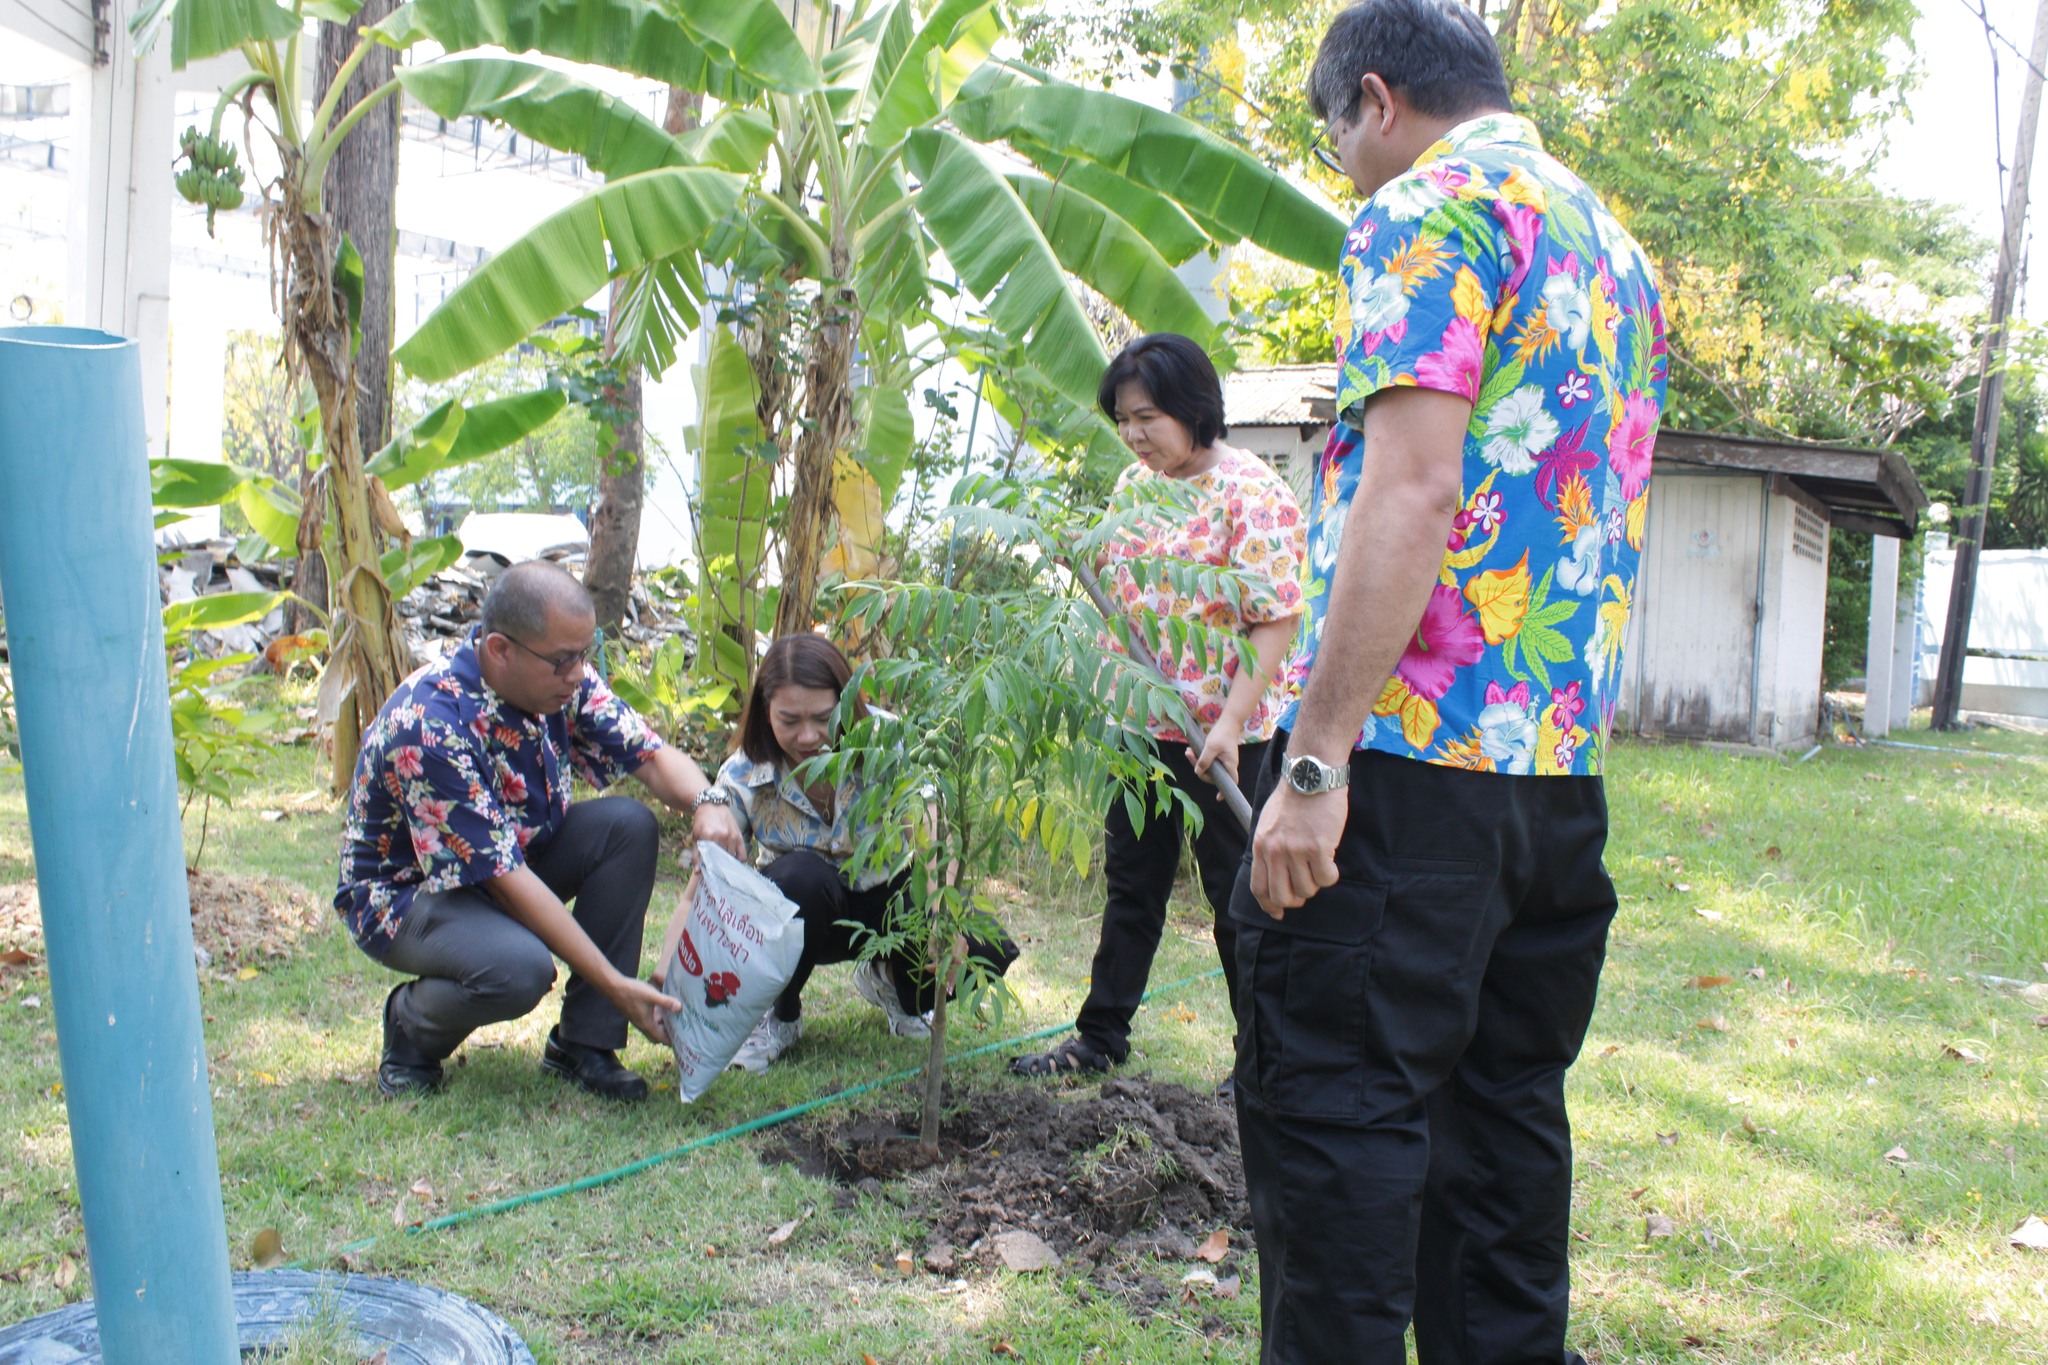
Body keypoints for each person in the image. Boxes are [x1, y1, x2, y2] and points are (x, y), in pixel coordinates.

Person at [1231, 3, 1667, 1360]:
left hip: (1408, 770)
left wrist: (1314, 760)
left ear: (1375, 99)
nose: (1343, 166)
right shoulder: (1611, 247)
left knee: (1337, 1120)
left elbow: (1412, 489)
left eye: (1334, 136)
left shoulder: (1430, 208)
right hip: (1551, 784)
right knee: (1500, 1135)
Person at [336, 560, 744, 1103]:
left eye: (583, 654)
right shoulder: (430, 725)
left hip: (509, 859)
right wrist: (615, 984)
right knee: (518, 970)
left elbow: (649, 754)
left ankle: (585, 1044)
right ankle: (412, 1028)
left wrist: (710, 803)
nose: (577, 673)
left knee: (626, 826)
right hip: (410, 897)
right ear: (500, 649)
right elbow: (505, 880)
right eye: (563, 660)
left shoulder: (559, 679)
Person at [1010, 334, 1304, 1082]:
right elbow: (1118, 583)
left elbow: (1275, 620)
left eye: (1147, 417)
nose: (1134, 434)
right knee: (1132, 888)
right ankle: (1100, 1037)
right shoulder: (1135, 486)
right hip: (1141, 726)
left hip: (1226, 736)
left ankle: (1262, 1060)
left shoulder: (1252, 492)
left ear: (1192, 407)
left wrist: (1230, 724)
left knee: (1237, 897)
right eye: (1123, 420)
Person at [672, 634, 1019, 1073]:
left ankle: (892, 983)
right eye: (789, 720)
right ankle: (779, 1013)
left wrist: (940, 921)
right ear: (765, 711)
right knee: (802, 878)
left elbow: (931, 836)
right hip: (799, 915)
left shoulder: (888, 740)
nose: (808, 736)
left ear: (847, 702)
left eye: (823, 718)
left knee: (986, 948)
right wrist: (673, 978)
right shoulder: (744, 772)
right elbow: (707, 882)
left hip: (887, 902)